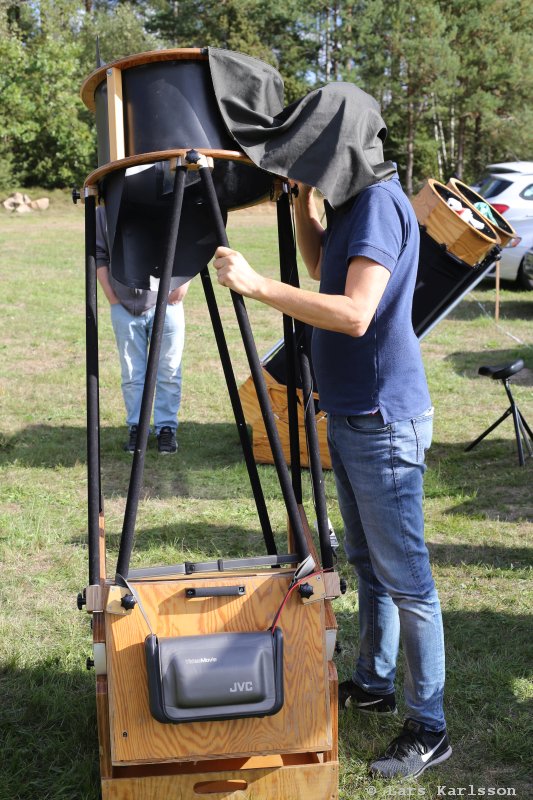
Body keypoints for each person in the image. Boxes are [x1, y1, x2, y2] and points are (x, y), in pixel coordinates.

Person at [211, 175, 450, 779]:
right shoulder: (351, 201)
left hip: (382, 419)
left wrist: (259, 286)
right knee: (369, 566)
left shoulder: (375, 203)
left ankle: (430, 728)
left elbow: (353, 312)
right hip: (350, 412)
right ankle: (374, 683)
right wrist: (303, 205)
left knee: (408, 581)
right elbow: (323, 265)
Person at [95, 205, 190, 454]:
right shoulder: (104, 210)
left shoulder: (167, 198)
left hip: (167, 303)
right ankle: (137, 428)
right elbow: (99, 254)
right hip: (124, 306)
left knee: (169, 370)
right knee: (131, 374)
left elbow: (188, 243)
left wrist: (183, 284)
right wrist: (112, 297)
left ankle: (166, 430)